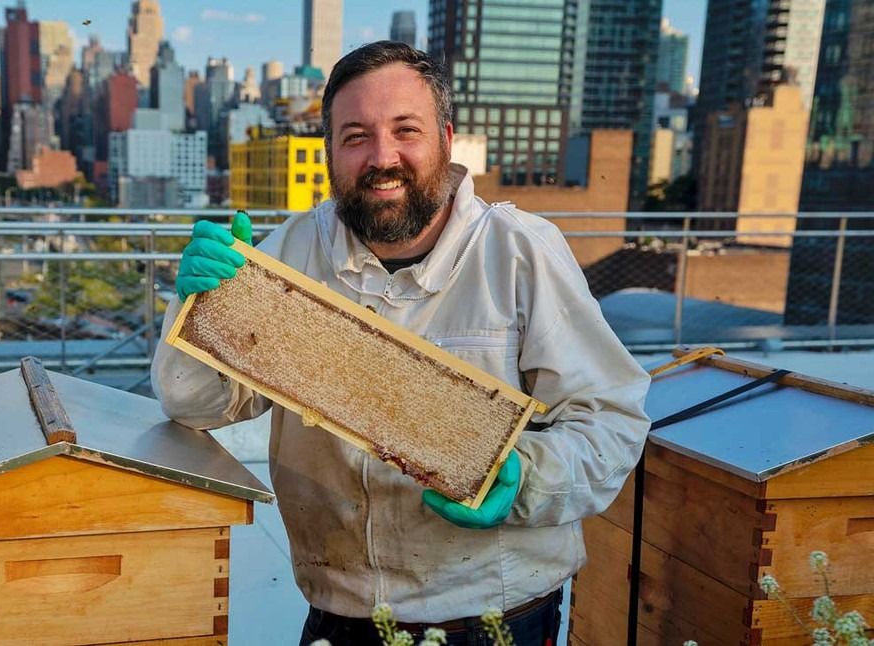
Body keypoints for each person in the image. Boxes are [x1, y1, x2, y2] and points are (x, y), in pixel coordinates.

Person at [152, 41, 650, 646]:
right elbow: (198, 405)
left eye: (405, 130)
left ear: (445, 136)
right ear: (331, 151)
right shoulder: (287, 252)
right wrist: (199, 305)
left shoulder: (521, 252)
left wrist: (527, 478)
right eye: (355, 136)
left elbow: (611, 420)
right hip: (341, 610)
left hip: (496, 614)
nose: (381, 157)